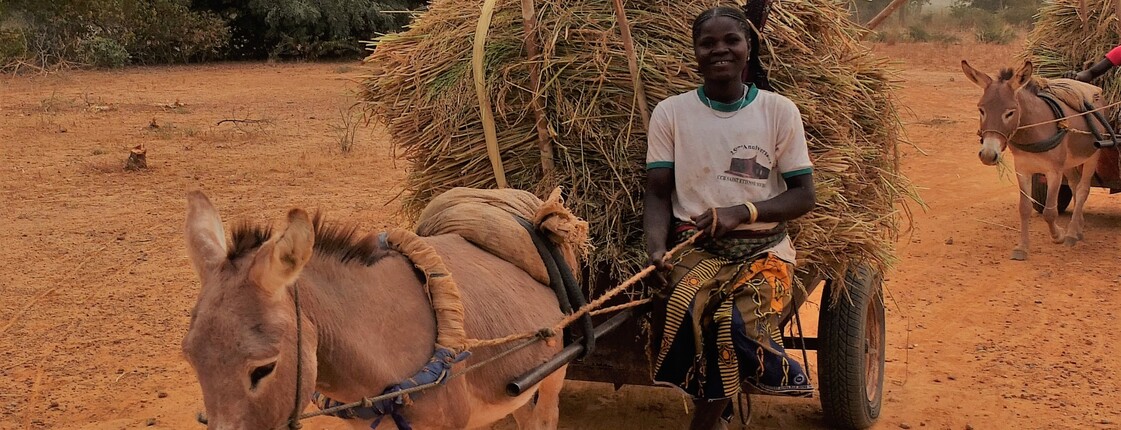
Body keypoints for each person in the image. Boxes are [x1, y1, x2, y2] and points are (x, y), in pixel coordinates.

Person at [643, 6, 816, 430]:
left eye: (731, 41)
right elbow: (658, 192)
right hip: (696, 250)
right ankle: (716, 411)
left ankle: (704, 423)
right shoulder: (671, 113)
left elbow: (803, 196)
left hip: (764, 249)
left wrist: (744, 212)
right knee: (686, 310)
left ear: (748, 49)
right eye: (708, 43)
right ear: (695, 52)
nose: (720, 50)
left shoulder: (778, 111)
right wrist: (655, 249)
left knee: (735, 323)